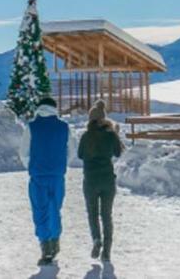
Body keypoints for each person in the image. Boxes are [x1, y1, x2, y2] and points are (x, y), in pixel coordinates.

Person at [19, 96, 69, 266]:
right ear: (55, 108)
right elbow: (69, 150)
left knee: (40, 210)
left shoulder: (31, 127)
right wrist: (60, 165)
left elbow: (24, 152)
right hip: (57, 176)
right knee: (55, 207)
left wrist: (32, 166)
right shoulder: (64, 127)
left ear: (39, 108)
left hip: (38, 175)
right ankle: (55, 240)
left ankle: (45, 246)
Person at [77, 100, 122, 262]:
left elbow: (80, 155)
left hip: (90, 180)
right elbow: (118, 153)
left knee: (93, 213)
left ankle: (96, 239)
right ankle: (107, 251)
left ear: (90, 119)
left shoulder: (86, 136)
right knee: (106, 215)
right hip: (108, 180)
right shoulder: (110, 135)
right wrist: (114, 133)